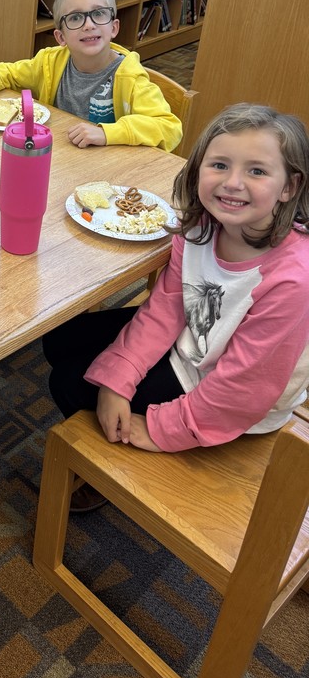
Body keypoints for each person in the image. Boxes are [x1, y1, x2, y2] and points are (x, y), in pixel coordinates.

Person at [42, 103, 309, 510]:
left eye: (257, 171)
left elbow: (245, 387)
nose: (233, 183)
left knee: (67, 381)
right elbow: (165, 309)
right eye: (220, 165)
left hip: (227, 389)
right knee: (60, 338)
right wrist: (118, 376)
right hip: (196, 340)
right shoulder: (202, 227)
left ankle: (107, 472)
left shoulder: (293, 279)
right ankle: (111, 428)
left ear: (289, 187)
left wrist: (164, 428)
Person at [0, 0, 181, 151]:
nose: (89, 25)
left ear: (114, 28)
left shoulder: (131, 77)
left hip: (109, 169)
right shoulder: (50, 61)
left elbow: (169, 127)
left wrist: (107, 133)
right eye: (75, 18)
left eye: (99, 14)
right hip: (60, 155)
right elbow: (10, 73)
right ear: (61, 37)